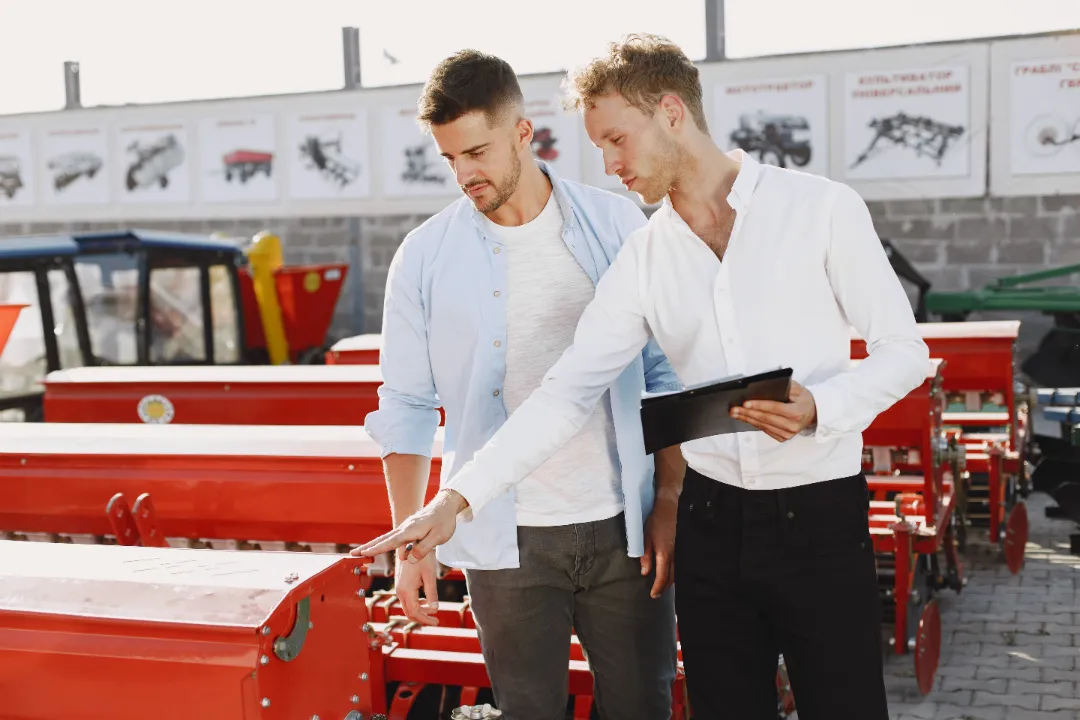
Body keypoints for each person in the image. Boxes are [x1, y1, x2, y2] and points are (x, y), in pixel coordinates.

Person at [358, 34, 932, 720]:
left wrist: (822, 407)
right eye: (599, 146)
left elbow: (905, 353)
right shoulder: (645, 254)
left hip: (820, 513)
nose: (609, 164)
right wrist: (454, 501)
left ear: (670, 112)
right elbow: (567, 392)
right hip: (712, 524)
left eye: (617, 141)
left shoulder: (820, 209)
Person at [357, 49, 682, 720]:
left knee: (642, 707)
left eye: (476, 152)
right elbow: (407, 408)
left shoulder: (618, 225)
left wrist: (671, 498)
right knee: (527, 710)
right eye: (450, 160)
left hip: (624, 524)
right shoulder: (424, 257)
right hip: (504, 543)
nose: (465, 174)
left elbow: (663, 372)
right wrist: (411, 544)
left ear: (524, 132)